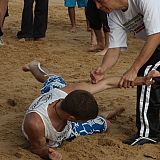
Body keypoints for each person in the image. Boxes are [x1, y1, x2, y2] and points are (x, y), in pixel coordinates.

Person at [21, 60, 154, 159]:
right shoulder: (35, 124)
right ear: (73, 119)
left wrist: (142, 80)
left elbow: (107, 83)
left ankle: (34, 66)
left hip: (55, 97)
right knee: (104, 124)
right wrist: (49, 153)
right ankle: (105, 115)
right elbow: (37, 148)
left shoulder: (70, 91)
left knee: (55, 79)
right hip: (46, 121)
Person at [91, 0, 160, 145]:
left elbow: (155, 36)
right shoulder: (114, 15)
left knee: (147, 72)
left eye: (99, 0)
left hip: (158, 39)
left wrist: (134, 69)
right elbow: (115, 47)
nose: (98, 6)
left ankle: (148, 133)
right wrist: (102, 69)